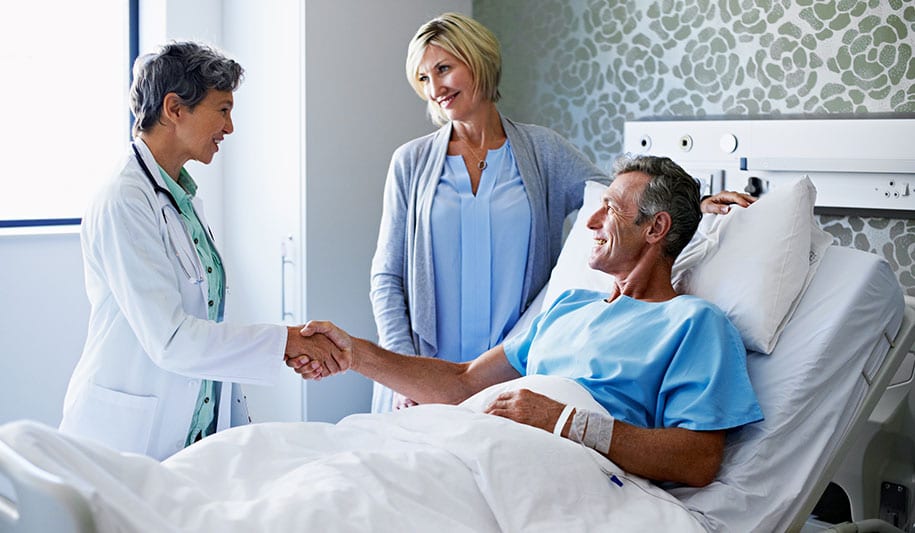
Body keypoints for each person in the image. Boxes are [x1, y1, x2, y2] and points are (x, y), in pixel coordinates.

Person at [290, 154, 763, 487]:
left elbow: (698, 460)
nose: (591, 221)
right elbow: (462, 382)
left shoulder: (693, 324)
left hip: (559, 477)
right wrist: (354, 352)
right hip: (478, 450)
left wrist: (565, 422)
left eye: (611, 209)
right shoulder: (568, 306)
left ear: (656, 228)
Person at [369, 12, 753, 412]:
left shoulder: (542, 151)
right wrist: (404, 371)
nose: (435, 89)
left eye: (444, 69)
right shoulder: (410, 163)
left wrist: (697, 202)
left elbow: (619, 200)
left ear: (478, 60)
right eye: (423, 79)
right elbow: (387, 275)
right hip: (422, 374)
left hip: (504, 369)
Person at [59, 41, 330, 460]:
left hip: (191, 436)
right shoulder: (124, 200)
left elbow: (207, 322)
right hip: (129, 440)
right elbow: (172, 340)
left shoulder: (180, 199)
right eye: (223, 110)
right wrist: (285, 342)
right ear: (174, 108)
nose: (230, 127)